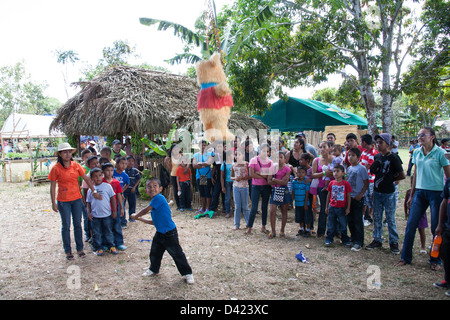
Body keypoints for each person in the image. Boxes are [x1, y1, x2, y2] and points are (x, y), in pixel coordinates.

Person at [398, 127, 450, 268]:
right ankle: (405, 257)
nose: (420, 137)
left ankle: (435, 260)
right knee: (411, 225)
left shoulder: (441, 153)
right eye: (419, 135)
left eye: (423, 135)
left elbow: (448, 176)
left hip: (437, 193)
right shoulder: (417, 152)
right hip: (420, 193)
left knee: (436, 228)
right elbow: (416, 173)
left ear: (432, 137)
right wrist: (412, 193)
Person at [131, 178, 194, 284]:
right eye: (149, 187)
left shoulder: (159, 198)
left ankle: (188, 273)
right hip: (160, 233)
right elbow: (155, 222)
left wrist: (136, 216)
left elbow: (146, 209)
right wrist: (140, 219)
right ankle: (153, 269)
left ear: (160, 189)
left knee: (177, 254)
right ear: (146, 190)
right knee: (155, 253)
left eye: (155, 186)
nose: (152, 188)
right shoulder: (155, 202)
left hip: (170, 234)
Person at [49, 143, 102, 260]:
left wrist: (94, 191)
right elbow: (52, 186)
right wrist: (53, 202)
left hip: (77, 199)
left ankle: (80, 249)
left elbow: (86, 178)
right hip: (63, 201)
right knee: (66, 226)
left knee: (78, 224)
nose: (67, 154)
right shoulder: (56, 168)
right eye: (64, 152)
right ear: (60, 154)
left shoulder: (76, 165)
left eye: (69, 152)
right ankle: (68, 251)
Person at [366, 133, 405, 254]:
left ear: (388, 144)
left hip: (389, 193)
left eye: (381, 142)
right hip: (377, 192)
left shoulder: (393, 157)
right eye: (377, 142)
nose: (378, 145)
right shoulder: (377, 157)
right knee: (377, 216)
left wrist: (390, 180)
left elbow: (401, 174)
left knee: (390, 218)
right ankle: (377, 239)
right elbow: (373, 171)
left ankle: (393, 242)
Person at [86, 168, 118, 256]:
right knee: (97, 233)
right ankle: (99, 247)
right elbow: (88, 203)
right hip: (95, 216)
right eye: (95, 176)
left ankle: (111, 246)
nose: (98, 178)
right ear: (91, 178)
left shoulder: (107, 186)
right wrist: (89, 213)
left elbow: (113, 199)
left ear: (102, 175)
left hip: (107, 214)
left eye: (100, 175)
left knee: (108, 231)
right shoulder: (90, 190)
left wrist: (114, 211)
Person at [246, 143, 274, 235]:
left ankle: (263, 226)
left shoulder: (270, 162)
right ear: (259, 150)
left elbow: (269, 176)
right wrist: (263, 175)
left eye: (267, 151)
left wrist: (259, 173)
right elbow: (251, 174)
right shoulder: (253, 160)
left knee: (264, 207)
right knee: (254, 207)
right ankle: (249, 227)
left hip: (266, 186)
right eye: (263, 151)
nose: (265, 153)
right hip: (255, 186)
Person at [346, 147, 369, 251]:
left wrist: (361, 195)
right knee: (350, 219)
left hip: (357, 198)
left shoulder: (362, 168)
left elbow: (366, 183)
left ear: (359, 157)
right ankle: (353, 237)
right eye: (349, 155)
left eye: (353, 155)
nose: (350, 157)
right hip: (349, 198)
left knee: (357, 220)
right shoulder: (349, 168)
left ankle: (359, 242)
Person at [324, 164, 352, 246]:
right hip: (332, 207)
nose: (335, 173)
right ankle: (329, 239)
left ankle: (345, 239)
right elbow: (328, 195)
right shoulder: (331, 183)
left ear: (343, 173)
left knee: (343, 224)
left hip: (342, 208)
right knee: (331, 224)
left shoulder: (345, 184)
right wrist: (326, 207)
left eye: (338, 171)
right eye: (334, 171)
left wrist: (348, 208)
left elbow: (348, 196)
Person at [311, 141, 334, 238]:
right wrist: (324, 174)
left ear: (329, 148)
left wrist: (332, 173)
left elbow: (341, 171)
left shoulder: (335, 159)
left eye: (324, 147)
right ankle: (321, 231)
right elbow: (313, 174)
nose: (322, 149)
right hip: (322, 187)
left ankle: (334, 231)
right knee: (324, 207)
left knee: (334, 209)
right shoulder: (316, 160)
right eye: (320, 147)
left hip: (334, 187)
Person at [102, 162, 127, 251]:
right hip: (104, 209)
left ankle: (119, 243)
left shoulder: (116, 182)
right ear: (103, 172)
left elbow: (119, 195)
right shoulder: (101, 182)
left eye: (111, 170)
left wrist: (121, 207)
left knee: (117, 226)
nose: (109, 172)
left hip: (115, 208)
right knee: (106, 227)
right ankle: (106, 244)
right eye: (107, 170)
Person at [268, 151, 292, 238]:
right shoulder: (272, 168)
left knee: (284, 211)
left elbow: (284, 182)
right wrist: (277, 181)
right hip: (275, 190)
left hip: (284, 190)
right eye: (277, 157)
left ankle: (282, 230)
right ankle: (273, 231)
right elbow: (269, 180)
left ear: (285, 159)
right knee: (272, 210)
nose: (279, 159)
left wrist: (274, 180)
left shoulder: (288, 169)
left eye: (281, 157)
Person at [433, 176, 450, 296]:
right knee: (445, 252)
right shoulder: (449, 181)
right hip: (447, 225)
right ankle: (447, 280)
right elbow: (444, 201)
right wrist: (440, 224)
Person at [360, 134, 378, 226]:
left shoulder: (373, 154)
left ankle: (370, 217)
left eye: (361, 141)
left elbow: (368, 168)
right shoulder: (364, 152)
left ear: (364, 142)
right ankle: (365, 216)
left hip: (370, 181)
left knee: (370, 199)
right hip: (363, 179)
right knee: (365, 199)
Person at [231, 148, 250, 230]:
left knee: (245, 206)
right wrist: (235, 178)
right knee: (237, 206)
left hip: (244, 187)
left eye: (239, 154)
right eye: (236, 155)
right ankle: (236, 224)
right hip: (236, 187)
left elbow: (250, 176)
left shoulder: (246, 164)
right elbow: (231, 177)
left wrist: (242, 177)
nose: (237, 156)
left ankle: (249, 224)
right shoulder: (233, 165)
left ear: (243, 155)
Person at [192, 140, 214, 214]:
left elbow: (209, 163)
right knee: (202, 193)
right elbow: (194, 165)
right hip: (199, 176)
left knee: (207, 192)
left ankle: (208, 208)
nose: (203, 146)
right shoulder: (196, 155)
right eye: (202, 145)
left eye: (204, 145)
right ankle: (203, 208)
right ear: (199, 146)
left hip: (207, 176)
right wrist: (204, 165)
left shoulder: (210, 154)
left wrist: (200, 163)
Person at [292, 166, 311, 237]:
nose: (301, 174)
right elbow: (293, 192)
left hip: (305, 203)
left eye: (303, 172)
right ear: (296, 173)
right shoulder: (294, 182)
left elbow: (307, 193)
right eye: (299, 172)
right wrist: (292, 201)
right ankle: (302, 228)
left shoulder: (306, 182)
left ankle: (308, 230)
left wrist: (306, 204)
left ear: (306, 174)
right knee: (300, 216)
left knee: (307, 217)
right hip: (297, 202)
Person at [113, 157, 130, 228]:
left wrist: (122, 191)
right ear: (117, 164)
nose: (124, 165)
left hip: (119, 193)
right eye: (122, 163)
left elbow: (128, 183)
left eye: (125, 164)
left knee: (121, 206)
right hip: (112, 193)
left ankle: (123, 222)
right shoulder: (112, 172)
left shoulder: (125, 175)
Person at [164, 144, 182, 211]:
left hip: (181, 175)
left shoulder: (181, 156)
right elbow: (170, 168)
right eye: (174, 149)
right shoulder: (170, 157)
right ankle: (178, 205)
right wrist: (166, 163)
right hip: (174, 175)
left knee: (182, 189)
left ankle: (183, 204)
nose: (176, 150)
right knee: (176, 190)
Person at [210, 141, 226, 213]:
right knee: (215, 193)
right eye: (217, 146)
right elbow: (214, 167)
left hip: (226, 177)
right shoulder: (215, 156)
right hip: (217, 178)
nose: (219, 148)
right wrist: (212, 176)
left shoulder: (226, 155)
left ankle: (225, 209)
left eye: (220, 146)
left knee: (225, 194)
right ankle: (213, 208)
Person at [124, 156, 141, 222]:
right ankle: (123, 219)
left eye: (132, 161)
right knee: (123, 204)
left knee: (132, 204)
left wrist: (134, 187)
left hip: (132, 190)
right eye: (129, 161)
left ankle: (132, 217)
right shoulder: (123, 171)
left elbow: (139, 179)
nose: (130, 162)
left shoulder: (135, 171)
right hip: (124, 190)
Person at [221, 150, 234, 218]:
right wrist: (223, 186)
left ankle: (237, 210)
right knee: (227, 197)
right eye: (232, 154)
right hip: (227, 182)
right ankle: (227, 211)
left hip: (234, 182)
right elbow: (222, 177)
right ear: (228, 156)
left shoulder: (234, 164)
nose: (234, 156)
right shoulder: (224, 165)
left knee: (235, 197)